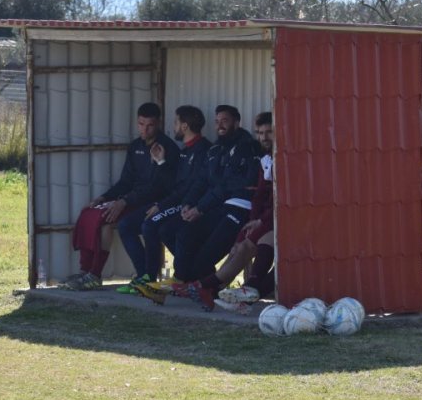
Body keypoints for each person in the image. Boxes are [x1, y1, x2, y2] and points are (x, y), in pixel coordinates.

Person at [61, 102, 179, 291]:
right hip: (133, 198)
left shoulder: (167, 148)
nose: (144, 129)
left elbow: (156, 187)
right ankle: (87, 271)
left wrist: (123, 202)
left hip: (153, 202)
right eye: (141, 124)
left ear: (158, 123)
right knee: (91, 213)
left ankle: (138, 275)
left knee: (121, 223)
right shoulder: (135, 147)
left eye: (149, 125)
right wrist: (104, 197)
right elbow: (126, 181)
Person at [186, 112, 276, 310]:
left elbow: (281, 201)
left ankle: (214, 287)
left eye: (269, 132)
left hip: (282, 219)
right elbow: (260, 196)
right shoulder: (266, 159)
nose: (264, 137)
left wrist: (260, 222)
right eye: (260, 133)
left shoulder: (286, 159)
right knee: (240, 245)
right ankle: (215, 290)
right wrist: (254, 220)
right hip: (266, 218)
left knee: (255, 242)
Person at [127, 105, 211, 291]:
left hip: (191, 205)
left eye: (175, 122)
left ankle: (155, 278)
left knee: (151, 225)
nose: (173, 127)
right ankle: (184, 273)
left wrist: (162, 205)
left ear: (184, 126)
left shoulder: (203, 150)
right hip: (177, 202)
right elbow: (174, 184)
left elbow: (190, 188)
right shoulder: (185, 151)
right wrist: (161, 162)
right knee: (151, 225)